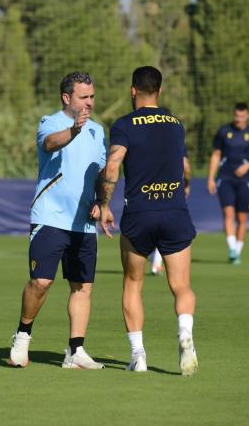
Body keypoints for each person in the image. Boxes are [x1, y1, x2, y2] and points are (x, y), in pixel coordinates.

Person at [96, 66, 198, 375]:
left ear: (132, 90)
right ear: (160, 91)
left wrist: (104, 203)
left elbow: (113, 166)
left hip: (139, 214)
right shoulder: (176, 124)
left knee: (133, 283)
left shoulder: (125, 125)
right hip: (174, 211)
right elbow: (184, 166)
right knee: (181, 285)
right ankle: (184, 336)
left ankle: (138, 355)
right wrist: (185, 184)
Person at [9, 72, 106, 370]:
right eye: (83, 97)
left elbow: (101, 173)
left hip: (84, 224)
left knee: (82, 287)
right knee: (41, 282)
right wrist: (74, 130)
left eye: (91, 96)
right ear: (67, 98)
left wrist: (103, 203)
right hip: (50, 217)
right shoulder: (50, 122)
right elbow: (50, 144)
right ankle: (23, 335)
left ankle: (75, 351)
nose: (89, 102)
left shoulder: (99, 131)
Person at [207, 102, 249, 264]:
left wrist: (248, 165)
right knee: (228, 213)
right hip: (225, 178)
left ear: (247, 115)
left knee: (242, 218)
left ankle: (237, 253)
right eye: (236, 116)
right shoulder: (224, 132)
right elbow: (216, 155)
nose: (238, 119)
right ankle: (232, 248)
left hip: (245, 181)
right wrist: (211, 178)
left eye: (241, 116)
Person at [150, 137, 191, 275]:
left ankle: (155, 259)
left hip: (146, 190)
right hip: (171, 191)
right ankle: (156, 262)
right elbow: (186, 167)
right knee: (165, 227)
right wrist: (187, 184)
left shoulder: (147, 139)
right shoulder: (176, 141)